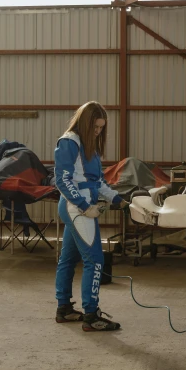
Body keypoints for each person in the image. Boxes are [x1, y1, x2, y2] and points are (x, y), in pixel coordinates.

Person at [53, 101, 127, 332]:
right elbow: (63, 179)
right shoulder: (69, 142)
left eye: (101, 128)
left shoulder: (88, 146)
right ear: (85, 123)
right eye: (95, 127)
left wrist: (118, 200)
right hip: (78, 208)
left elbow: (98, 181)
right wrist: (84, 206)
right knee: (95, 260)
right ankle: (91, 315)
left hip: (80, 207)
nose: (98, 132)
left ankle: (64, 309)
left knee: (68, 259)